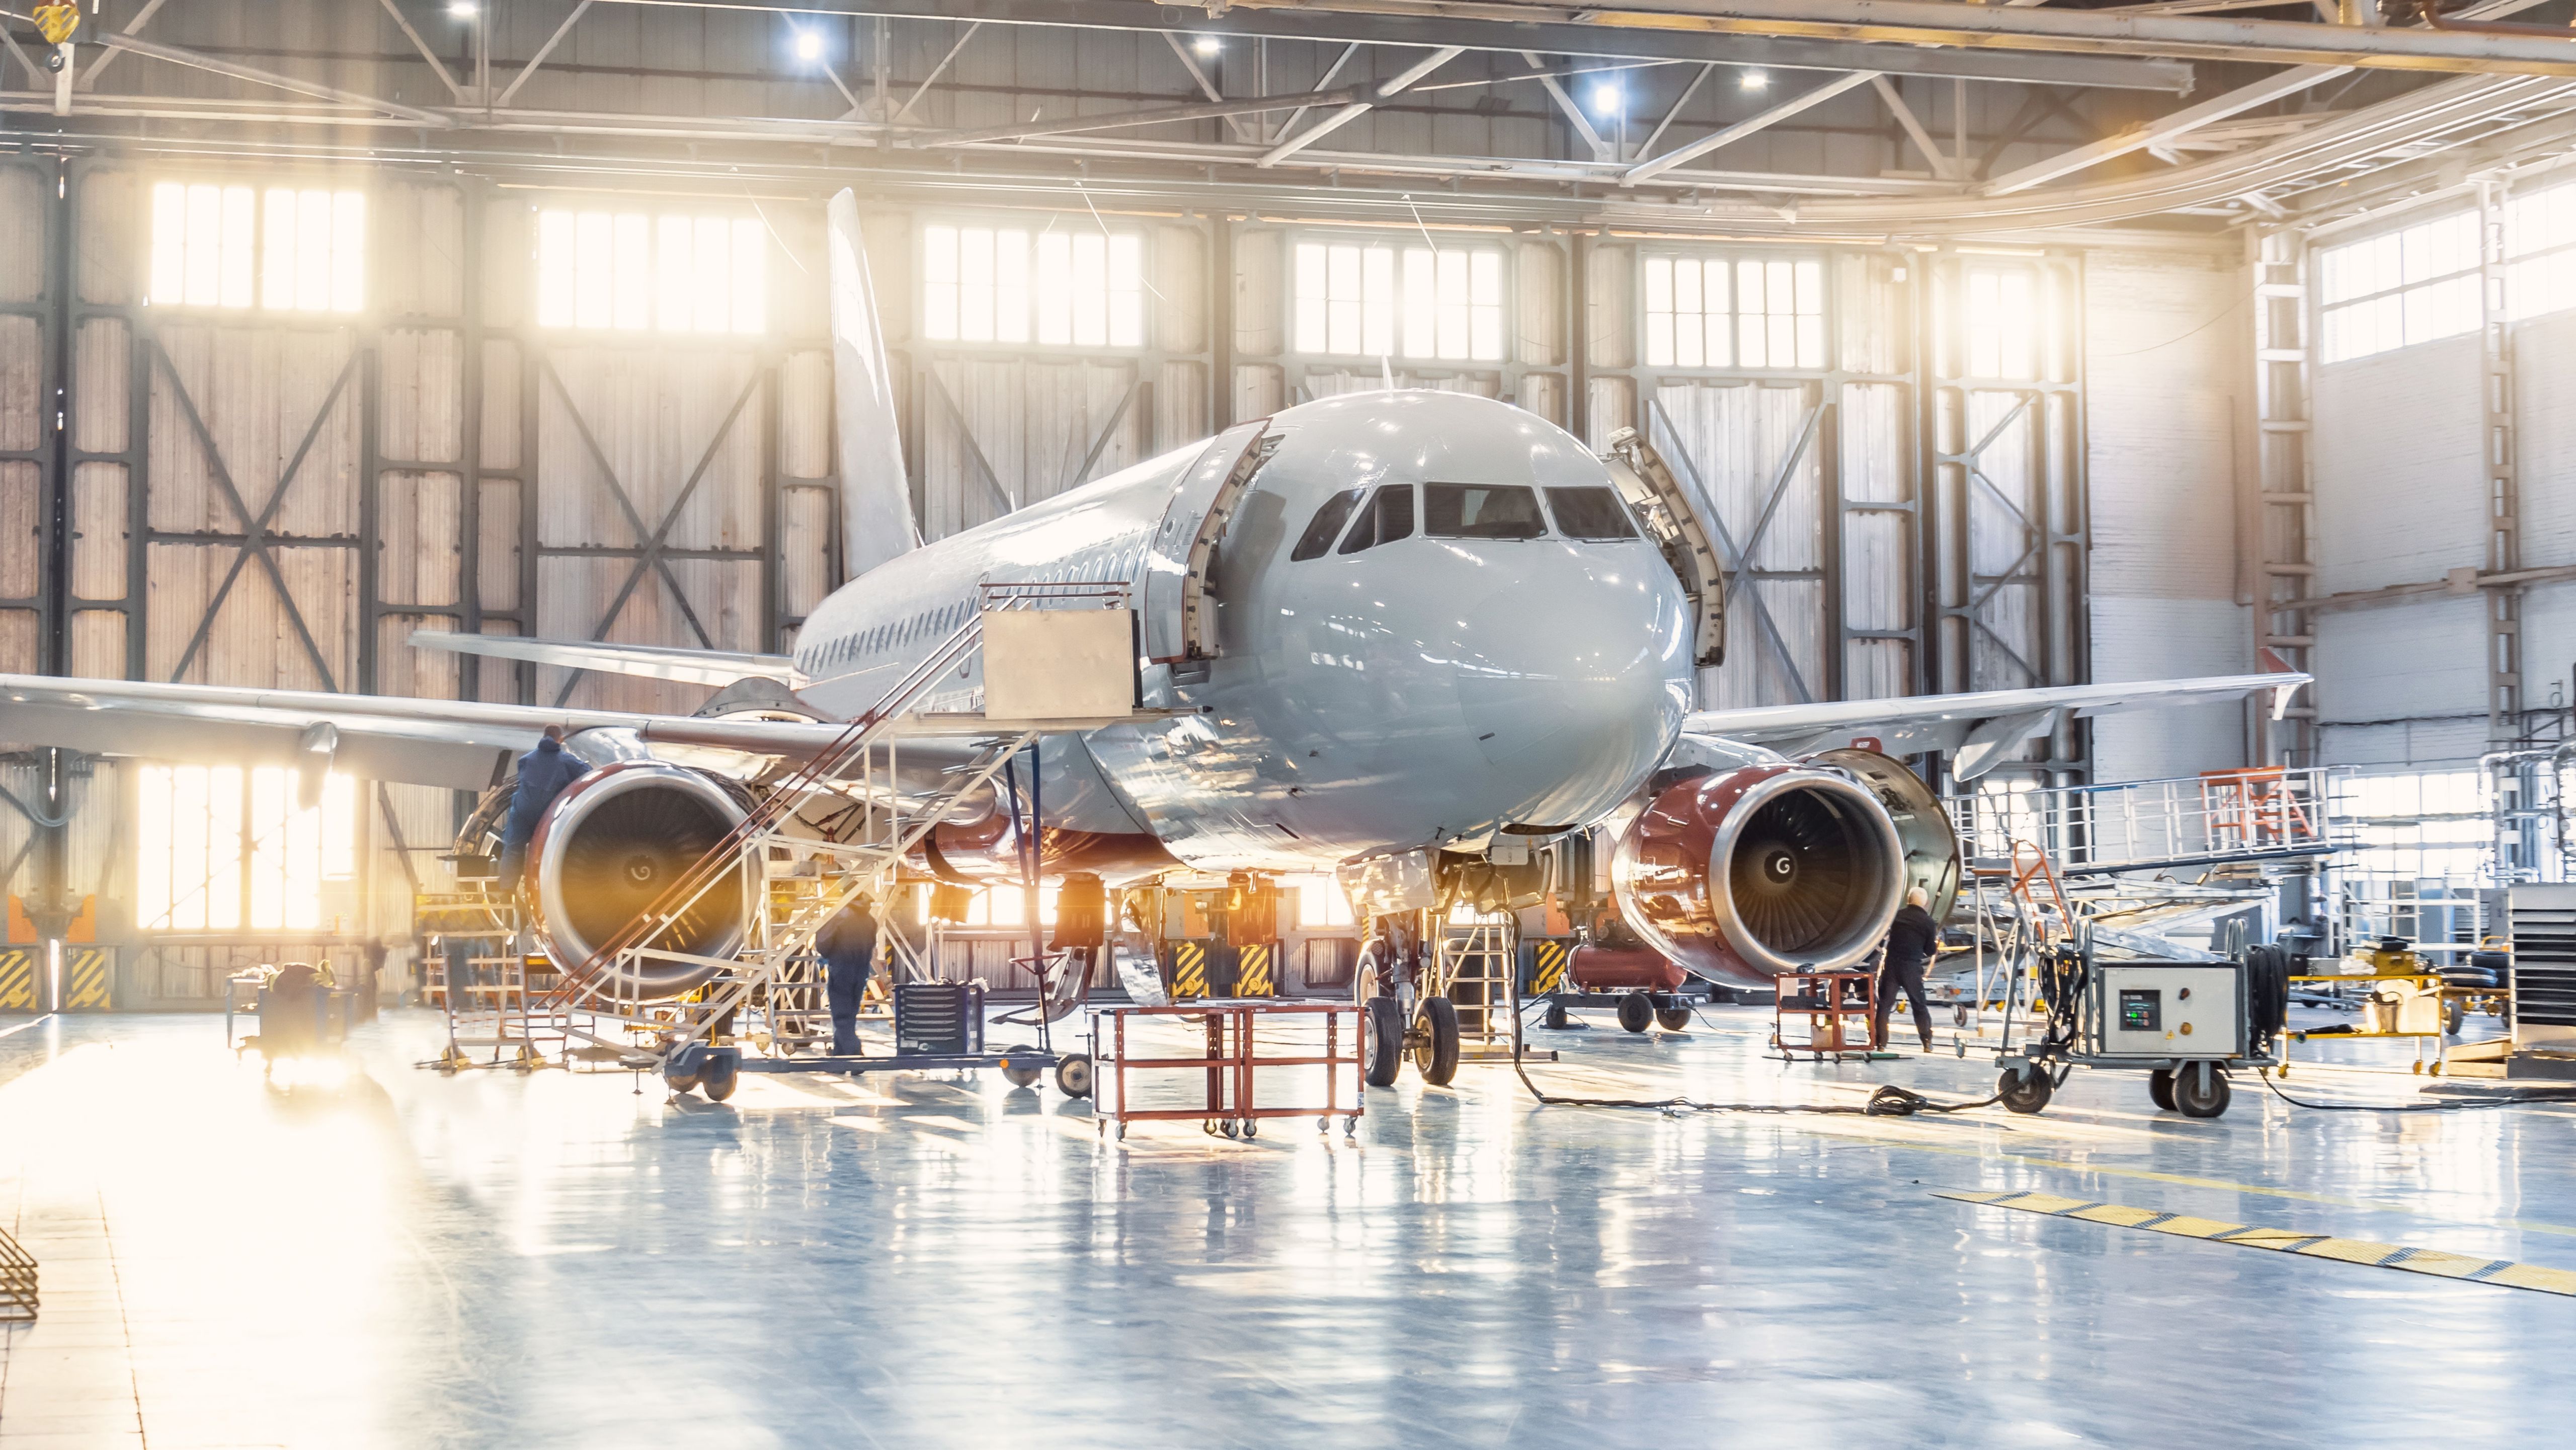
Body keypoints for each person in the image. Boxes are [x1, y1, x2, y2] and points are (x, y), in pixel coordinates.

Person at [498, 725, 587, 890]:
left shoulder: (525, 759)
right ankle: (548, 890)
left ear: (544, 736)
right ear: (560, 739)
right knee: (553, 852)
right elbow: (589, 775)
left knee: (513, 849)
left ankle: (506, 890)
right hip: (548, 815)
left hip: (522, 811)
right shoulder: (568, 761)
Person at [1873, 885, 1941, 1053]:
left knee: (1884, 1006)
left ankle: (1880, 1043)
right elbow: (1929, 951)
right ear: (1926, 903)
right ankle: (1926, 1042)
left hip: (1892, 966)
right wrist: (1935, 945)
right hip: (1911, 967)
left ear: (1908, 900)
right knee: (1919, 1005)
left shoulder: (1896, 916)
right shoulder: (1928, 922)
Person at [816, 893, 878, 1056]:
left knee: (841, 1017)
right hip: (861, 972)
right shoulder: (870, 920)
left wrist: (831, 955)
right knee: (849, 1016)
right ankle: (840, 1059)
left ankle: (855, 1054)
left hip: (842, 971)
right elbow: (872, 944)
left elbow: (823, 944)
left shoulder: (840, 917)